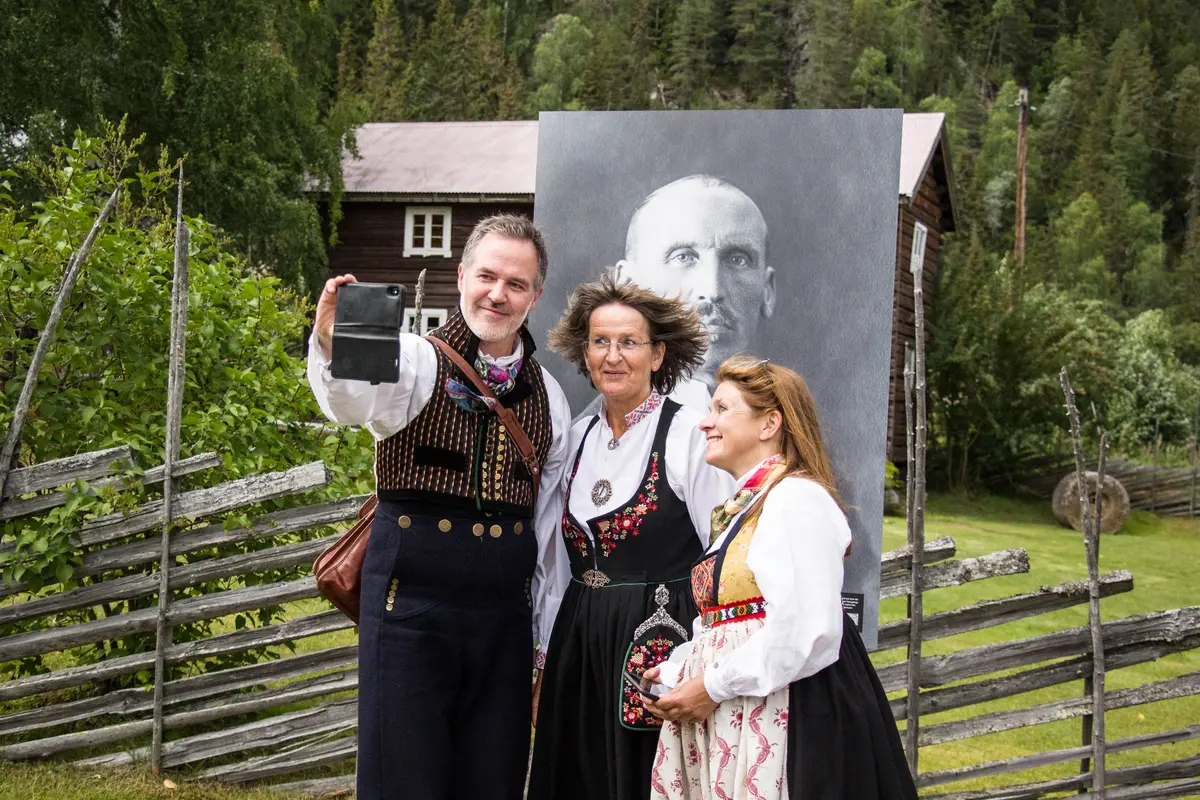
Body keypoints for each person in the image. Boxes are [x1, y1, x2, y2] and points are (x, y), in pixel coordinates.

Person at [307, 214, 572, 800]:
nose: (498, 294)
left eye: (516, 284)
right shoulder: (412, 359)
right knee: (403, 779)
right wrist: (333, 342)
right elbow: (351, 404)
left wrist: (542, 637)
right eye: (487, 277)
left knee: (493, 780)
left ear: (535, 296)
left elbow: (547, 530)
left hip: (504, 620)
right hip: (409, 610)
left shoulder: (550, 396)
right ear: (461, 277)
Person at [640, 354, 917, 799]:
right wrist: (681, 670)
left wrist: (711, 684)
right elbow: (730, 622)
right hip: (740, 710)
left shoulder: (796, 498)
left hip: (788, 714)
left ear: (769, 424)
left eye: (722, 409)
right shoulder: (745, 508)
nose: (705, 423)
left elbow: (809, 631)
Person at [528, 271, 736, 800]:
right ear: (585, 353)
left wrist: (708, 668)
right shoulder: (576, 438)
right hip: (580, 637)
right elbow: (556, 565)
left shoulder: (689, 434)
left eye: (629, 342)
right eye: (600, 342)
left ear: (658, 355)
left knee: (646, 779)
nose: (613, 356)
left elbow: (723, 557)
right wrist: (545, 658)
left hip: (660, 639)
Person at [617, 175, 777, 406]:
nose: (712, 290)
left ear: (767, 291)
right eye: (683, 257)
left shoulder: (791, 424)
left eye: (737, 260)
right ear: (627, 287)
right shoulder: (596, 429)